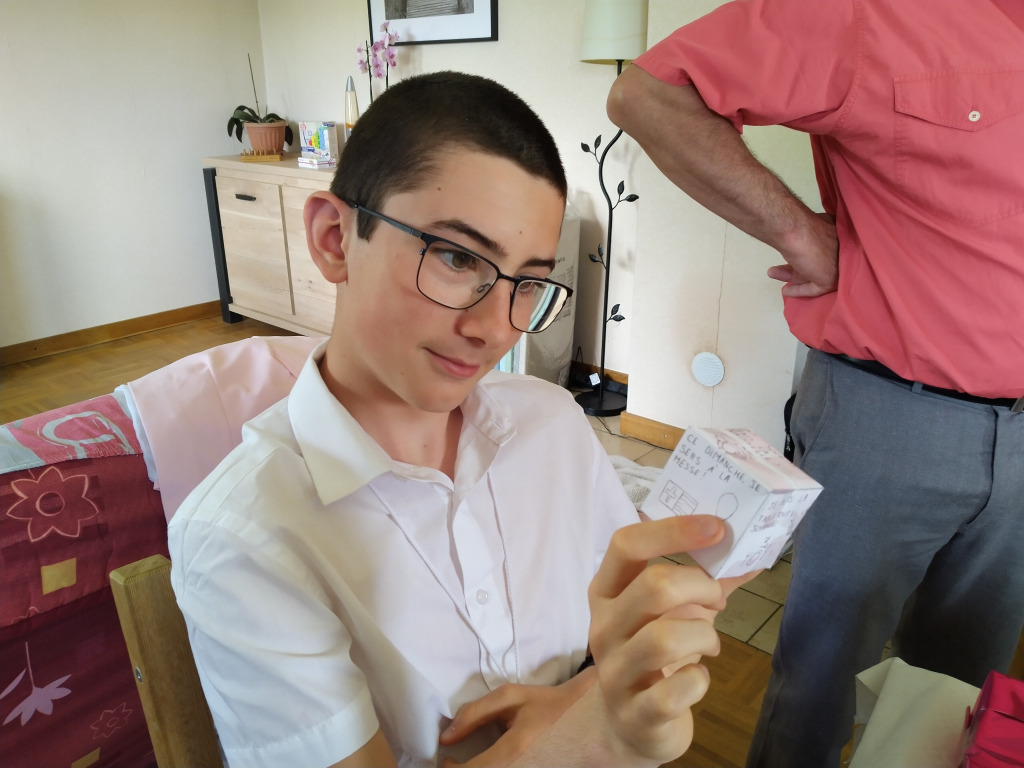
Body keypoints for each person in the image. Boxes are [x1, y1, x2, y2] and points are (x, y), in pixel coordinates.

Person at [169, 71, 747, 768]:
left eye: (528, 283)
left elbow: (616, 637)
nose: (494, 329)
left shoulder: (551, 424)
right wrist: (592, 731)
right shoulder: (245, 538)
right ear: (334, 238)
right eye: (455, 257)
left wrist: (594, 693)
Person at [606, 2, 1024, 767]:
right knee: (821, 684)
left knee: (960, 702)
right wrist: (799, 231)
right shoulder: (880, 12)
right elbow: (653, 93)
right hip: (889, 417)